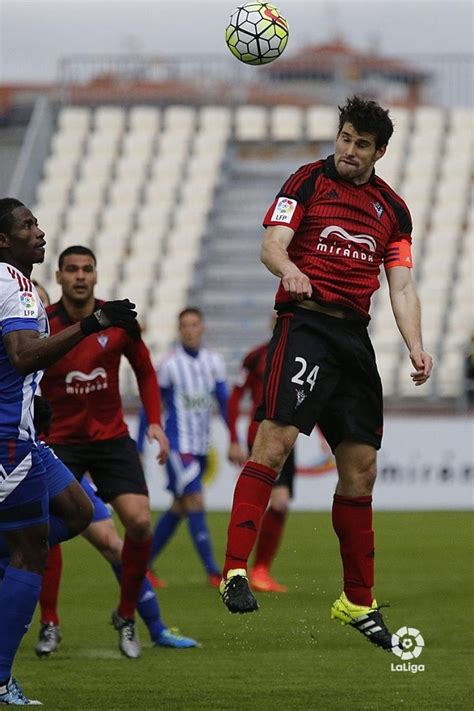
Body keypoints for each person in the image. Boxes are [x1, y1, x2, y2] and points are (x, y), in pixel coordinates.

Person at [219, 96, 433, 653]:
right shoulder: (306, 182)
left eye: (362, 144)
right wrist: (290, 270)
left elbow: (402, 285)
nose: (349, 151)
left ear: (379, 151)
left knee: (361, 473)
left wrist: (416, 345)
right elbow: (271, 244)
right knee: (276, 440)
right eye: (345, 138)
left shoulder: (394, 210)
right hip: (306, 326)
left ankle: (357, 602)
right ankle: (236, 571)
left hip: (353, 340)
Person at [0, 198, 137, 704]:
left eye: (37, 222)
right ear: (3, 240)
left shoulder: (17, 287)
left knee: (77, 512)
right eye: (27, 226)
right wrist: (91, 324)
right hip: (7, 440)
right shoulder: (10, 283)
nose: (38, 231)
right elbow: (20, 356)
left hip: (28, 436)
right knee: (31, 552)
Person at [31, 278, 198, 657]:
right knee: (61, 533)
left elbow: (144, 368)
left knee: (134, 526)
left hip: (107, 443)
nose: (79, 276)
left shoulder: (112, 319)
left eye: (85, 268)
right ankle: (52, 623)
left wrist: (154, 420)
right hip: (55, 448)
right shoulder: (27, 341)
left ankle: (135, 621)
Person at [228, 326, 335, 594]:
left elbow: (312, 398)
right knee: (274, 499)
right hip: (263, 434)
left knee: (281, 503)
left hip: (289, 432)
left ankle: (257, 569)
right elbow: (235, 397)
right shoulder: (257, 356)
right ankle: (244, 567)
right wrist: (232, 436)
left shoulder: (302, 357)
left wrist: (323, 434)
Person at [138, 308, 229, 587]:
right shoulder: (169, 365)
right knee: (196, 501)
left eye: (194, 324)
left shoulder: (214, 362)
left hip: (201, 446)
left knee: (180, 506)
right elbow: (150, 405)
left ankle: (141, 565)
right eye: (185, 325)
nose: (190, 330)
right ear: (179, 330)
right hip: (179, 446)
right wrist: (141, 442)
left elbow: (225, 402)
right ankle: (214, 572)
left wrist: (235, 439)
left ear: (202, 328)